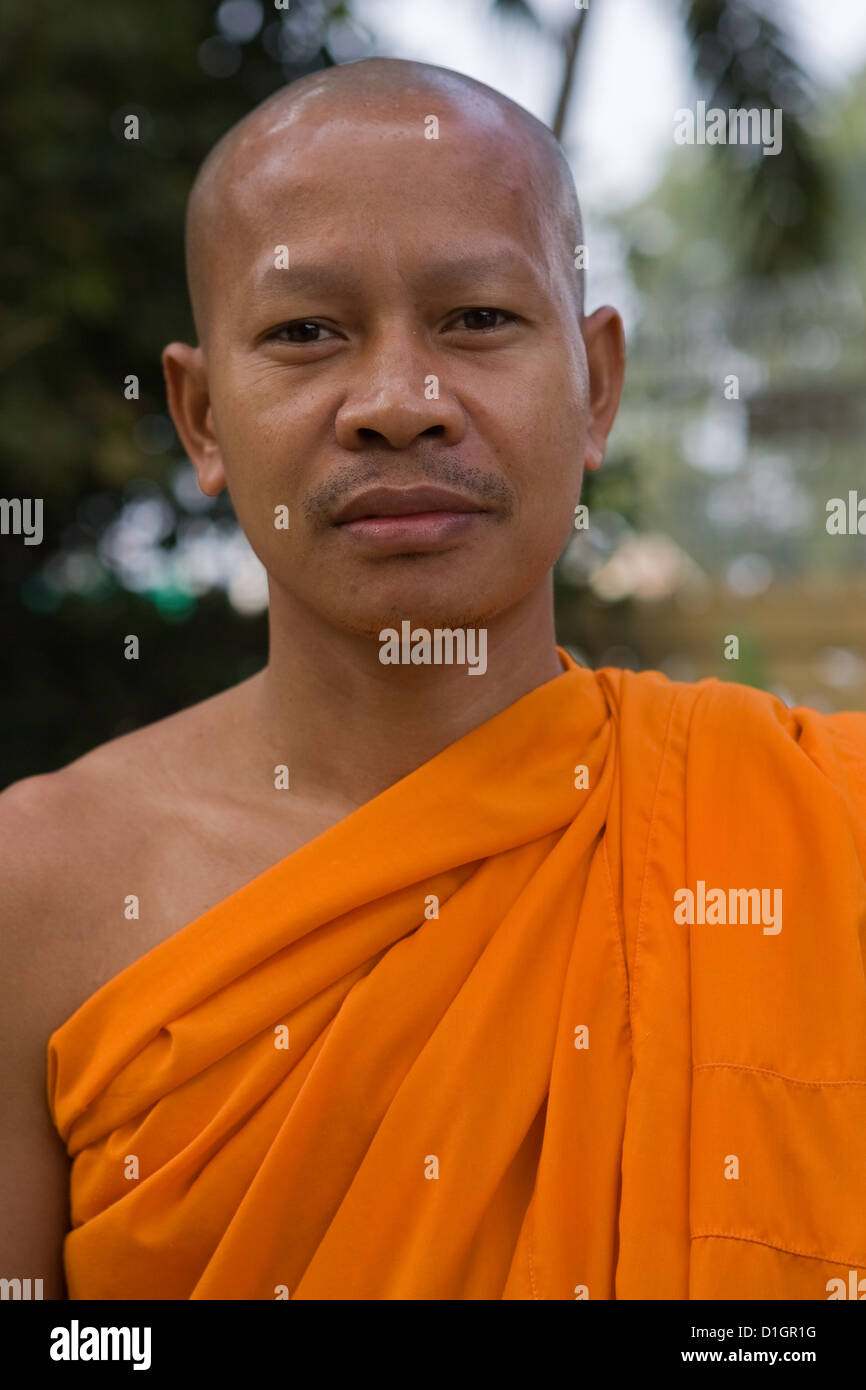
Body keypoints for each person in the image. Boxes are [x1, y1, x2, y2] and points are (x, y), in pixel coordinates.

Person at [1, 57, 864, 1302]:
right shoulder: (40, 892)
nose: (400, 405)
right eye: (306, 332)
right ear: (198, 418)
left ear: (596, 387)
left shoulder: (816, 826)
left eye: (475, 320)